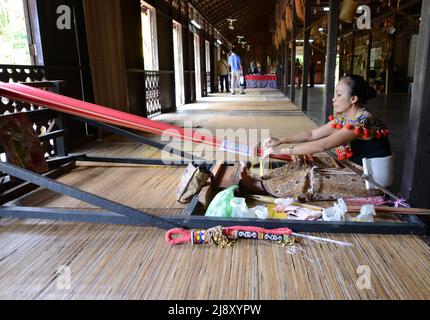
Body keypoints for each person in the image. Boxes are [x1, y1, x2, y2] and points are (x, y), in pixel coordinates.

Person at [240, 74, 393, 201]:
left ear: (353, 99)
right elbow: (312, 135)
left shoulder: (362, 121)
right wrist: (281, 140)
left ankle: (260, 187)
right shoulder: (346, 117)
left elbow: (322, 145)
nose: (333, 99)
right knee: (304, 160)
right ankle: (262, 180)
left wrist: (281, 151)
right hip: (351, 166)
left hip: (370, 181)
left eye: (339, 95)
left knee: (311, 178)